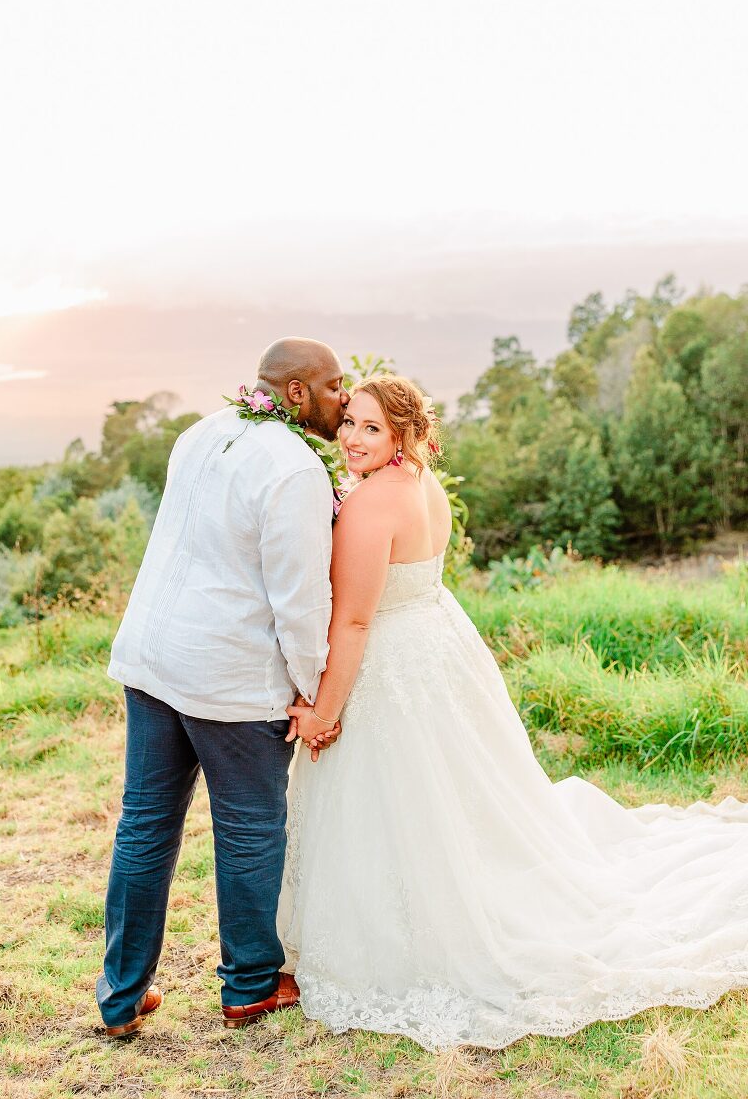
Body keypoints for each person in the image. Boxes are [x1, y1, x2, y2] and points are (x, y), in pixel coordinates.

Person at [278, 372, 748, 1052]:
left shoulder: (369, 506)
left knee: (404, 801)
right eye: (349, 420)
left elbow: (351, 622)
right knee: (455, 798)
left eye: (371, 427)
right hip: (437, 644)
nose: (351, 436)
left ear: (405, 435)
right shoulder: (421, 484)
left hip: (394, 663)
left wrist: (323, 711)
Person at [96, 338, 348, 1037]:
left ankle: (120, 996)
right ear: (296, 393)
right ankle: (248, 988)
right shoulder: (296, 469)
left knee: (144, 826)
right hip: (230, 675)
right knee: (249, 829)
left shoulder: (200, 432)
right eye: (333, 386)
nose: (345, 398)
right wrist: (313, 691)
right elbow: (299, 601)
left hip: (153, 656)